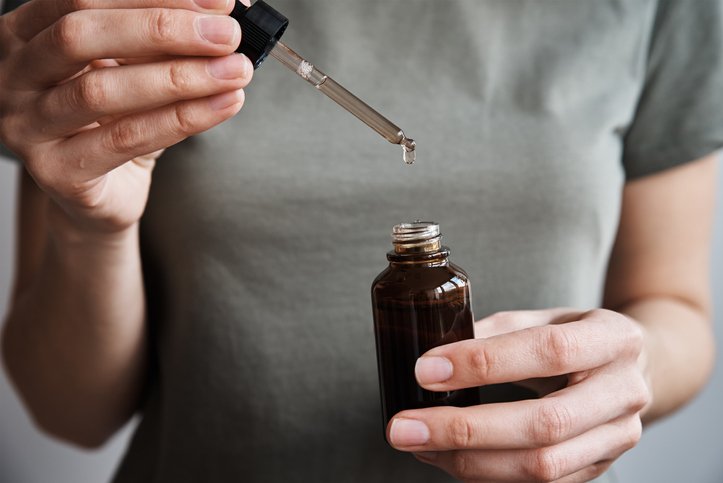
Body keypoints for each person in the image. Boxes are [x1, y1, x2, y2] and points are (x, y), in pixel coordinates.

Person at [1, 0, 721, 481]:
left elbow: (672, 305)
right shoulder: (119, 11)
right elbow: (71, 411)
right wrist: (91, 221)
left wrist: (631, 363)